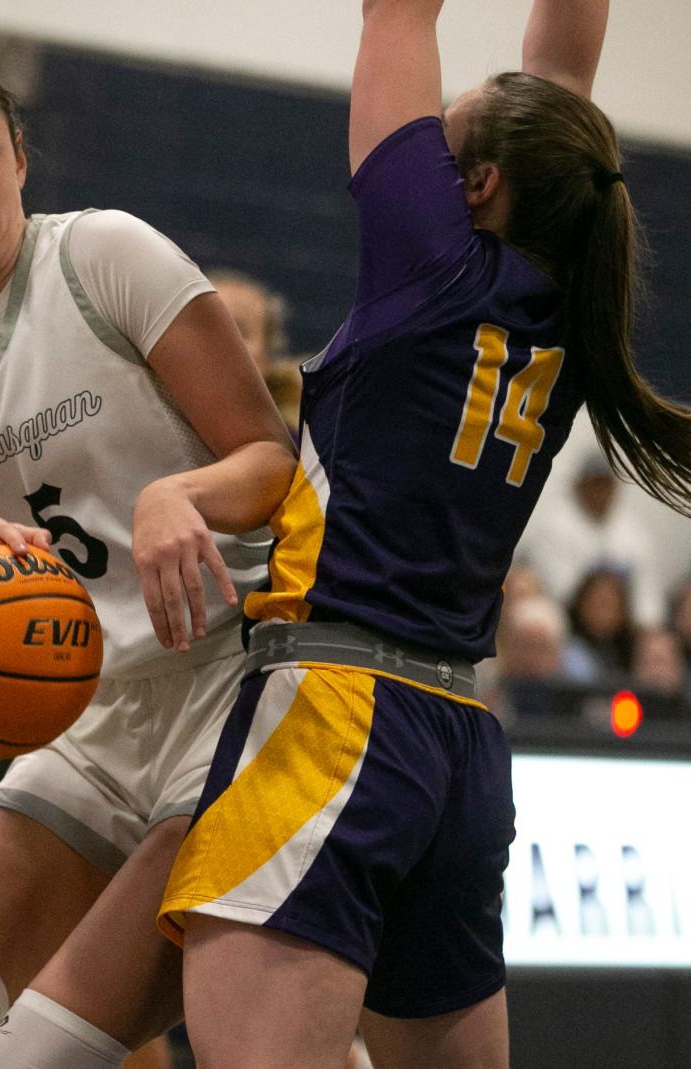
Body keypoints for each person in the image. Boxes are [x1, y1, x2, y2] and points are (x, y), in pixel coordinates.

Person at [156, 1, 691, 1066]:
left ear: (479, 185)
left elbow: (399, 13)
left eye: (451, 133)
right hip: (456, 741)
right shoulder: (572, 301)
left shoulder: (430, 260)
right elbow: (558, 76)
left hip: (337, 718)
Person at [0, 51, 295, 1069]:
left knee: (35, 1054)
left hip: (241, 688)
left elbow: (272, 462)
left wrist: (180, 494)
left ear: (21, 158)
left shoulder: (105, 256)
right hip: (89, 713)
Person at [517, 450, 667, 627]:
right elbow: (562, 591)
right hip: (569, 627)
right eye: (595, 484)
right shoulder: (552, 526)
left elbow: (648, 598)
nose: (601, 492)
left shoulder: (634, 532)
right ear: (579, 485)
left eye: (606, 485)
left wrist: (645, 630)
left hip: (624, 633)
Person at [208, 269, 303, 435]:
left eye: (238, 330)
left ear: (266, 358)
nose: (218, 342)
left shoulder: (296, 450)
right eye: (206, 327)